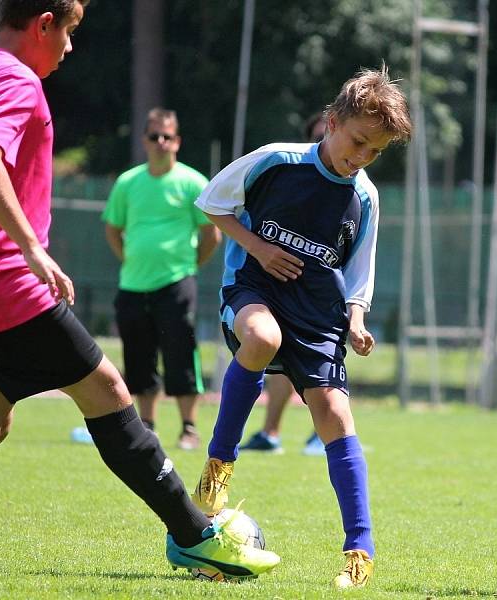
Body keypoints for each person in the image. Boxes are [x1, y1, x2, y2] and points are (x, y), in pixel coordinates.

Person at [0, 0, 278, 580]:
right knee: (109, 390)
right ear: (43, 22)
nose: (69, 48)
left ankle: (191, 530)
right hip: (2, 283)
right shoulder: (16, 80)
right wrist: (33, 249)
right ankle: (194, 534)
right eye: (68, 32)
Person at [192, 65, 412, 589]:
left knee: (335, 413)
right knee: (262, 339)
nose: (361, 157)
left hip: (318, 314)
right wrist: (260, 249)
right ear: (331, 122)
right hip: (255, 290)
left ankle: (360, 550)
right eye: (357, 142)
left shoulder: (365, 196)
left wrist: (356, 322)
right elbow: (212, 203)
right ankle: (218, 463)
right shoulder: (275, 161)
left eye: (375, 152)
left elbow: (358, 274)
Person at [103, 107, 220, 451]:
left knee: (181, 353)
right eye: (154, 136)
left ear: (177, 141)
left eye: (167, 137)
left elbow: (212, 234)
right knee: (139, 357)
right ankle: (148, 425)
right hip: (133, 285)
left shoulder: (193, 182)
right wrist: (130, 259)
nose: (161, 143)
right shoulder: (128, 183)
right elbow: (113, 228)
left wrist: (189, 266)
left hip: (177, 283)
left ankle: (188, 427)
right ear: (144, 140)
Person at [240, 111, 328, 456]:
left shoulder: (354, 188)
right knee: (276, 355)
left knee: (319, 362)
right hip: (279, 286)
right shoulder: (286, 174)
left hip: (320, 294)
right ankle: (268, 433)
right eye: (319, 137)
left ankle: (320, 433)